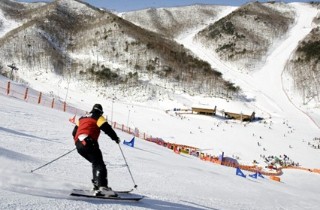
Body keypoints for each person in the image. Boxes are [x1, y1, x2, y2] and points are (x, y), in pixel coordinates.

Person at [72, 104, 120, 196]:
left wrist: (79, 142)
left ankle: (97, 185)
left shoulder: (82, 118)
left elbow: (74, 132)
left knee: (96, 162)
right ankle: (102, 187)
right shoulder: (98, 117)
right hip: (89, 142)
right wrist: (115, 138)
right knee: (99, 163)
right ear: (100, 112)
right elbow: (106, 128)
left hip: (79, 144)